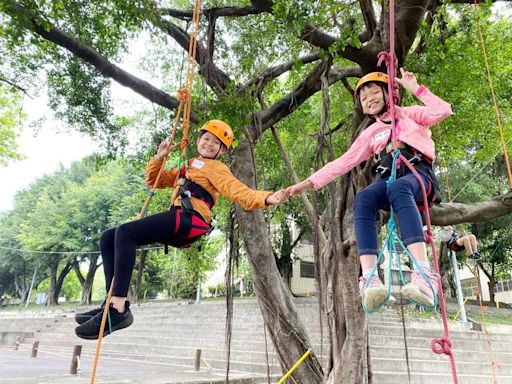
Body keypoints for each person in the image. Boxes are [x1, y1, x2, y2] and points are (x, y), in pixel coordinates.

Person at [75, 120, 287, 339]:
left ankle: (118, 308)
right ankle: (110, 301)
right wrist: (160, 157)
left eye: (216, 143)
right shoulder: (188, 166)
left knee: (125, 233)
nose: (209, 144)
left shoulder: (217, 168)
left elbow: (237, 191)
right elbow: (155, 181)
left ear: (222, 150)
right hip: (178, 218)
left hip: (188, 218)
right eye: (206, 138)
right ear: (198, 140)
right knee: (109, 237)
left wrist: (266, 197)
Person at [285, 68, 453, 311]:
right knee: (363, 198)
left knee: (399, 188)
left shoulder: (410, 115)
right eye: (364, 98)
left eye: (375, 93)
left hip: (418, 176)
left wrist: (414, 88)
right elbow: (342, 163)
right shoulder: (370, 133)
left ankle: (424, 276)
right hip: (389, 180)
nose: (369, 99)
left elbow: (443, 110)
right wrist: (307, 183)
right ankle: (370, 278)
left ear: (388, 95)